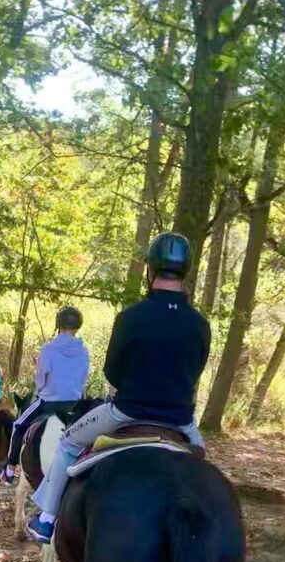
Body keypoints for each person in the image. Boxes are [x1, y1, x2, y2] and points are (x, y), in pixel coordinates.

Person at [26, 232, 209, 544]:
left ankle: (47, 519)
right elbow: (194, 373)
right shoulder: (200, 324)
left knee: (69, 442)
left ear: (150, 271)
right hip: (180, 421)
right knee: (201, 460)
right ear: (186, 273)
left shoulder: (130, 318)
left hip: (126, 414)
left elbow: (113, 373)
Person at [2, 306, 89, 485]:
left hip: (49, 402)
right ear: (78, 327)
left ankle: (10, 469)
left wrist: (43, 390)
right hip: (75, 405)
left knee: (18, 425)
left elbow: (40, 379)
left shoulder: (48, 349)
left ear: (59, 324)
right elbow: (82, 380)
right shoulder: (83, 351)